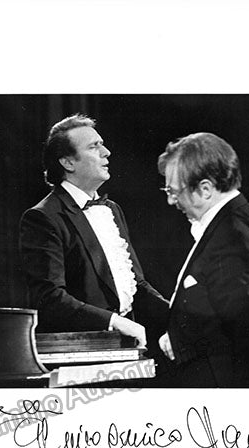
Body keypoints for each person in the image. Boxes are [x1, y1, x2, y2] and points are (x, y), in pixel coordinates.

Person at [157, 132, 249, 387]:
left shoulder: (233, 237)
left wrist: (180, 341)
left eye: (174, 192)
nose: (170, 200)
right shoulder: (232, 222)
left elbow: (248, 335)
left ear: (205, 189)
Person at [19, 114, 168, 347]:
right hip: (81, 348)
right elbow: (49, 299)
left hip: (127, 345)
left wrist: (179, 314)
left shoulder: (112, 209)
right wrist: (113, 322)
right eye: (93, 147)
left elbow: (135, 284)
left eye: (102, 144)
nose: (106, 152)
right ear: (68, 163)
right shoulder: (43, 217)